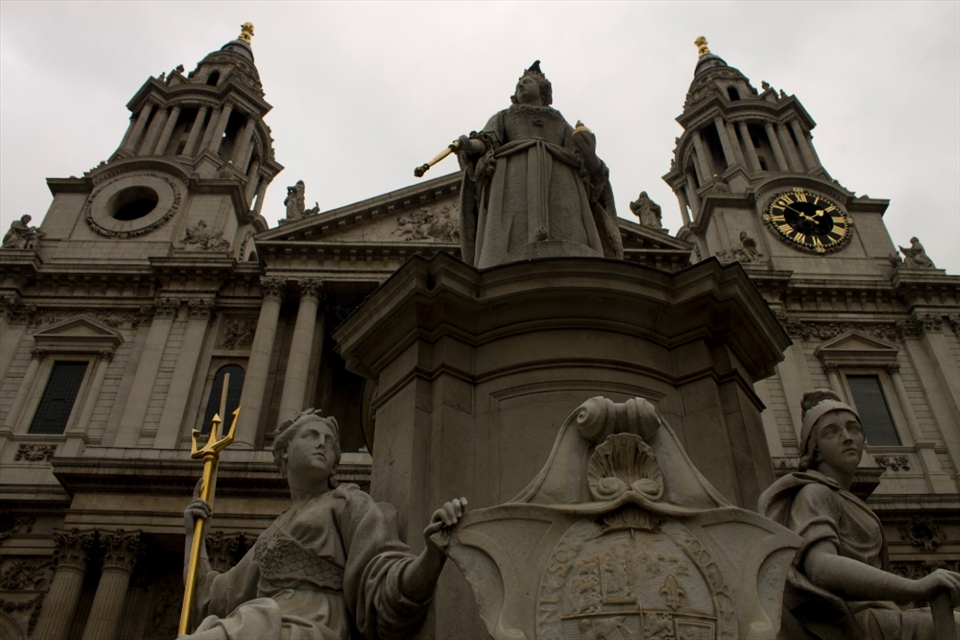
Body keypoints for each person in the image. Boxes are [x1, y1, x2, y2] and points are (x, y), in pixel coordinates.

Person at [181, 409, 467, 640]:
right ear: (285, 452)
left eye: (329, 441)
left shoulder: (348, 503)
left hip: (312, 627)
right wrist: (195, 537)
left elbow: (385, 576)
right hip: (265, 621)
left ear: (334, 464)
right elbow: (213, 597)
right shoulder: (271, 534)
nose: (322, 443)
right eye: (311, 435)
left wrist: (431, 555)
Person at [758, 389, 960, 639]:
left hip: (879, 610)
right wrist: (914, 587)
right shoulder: (816, 492)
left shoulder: (842, 497)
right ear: (815, 449)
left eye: (853, 428)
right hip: (851, 619)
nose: (847, 438)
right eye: (832, 432)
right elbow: (820, 566)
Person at [456, 61, 623, 269]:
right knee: (514, 223)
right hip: (512, 175)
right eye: (518, 86)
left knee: (565, 220)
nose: (521, 87)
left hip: (562, 176)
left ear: (543, 90)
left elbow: (586, 163)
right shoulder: (504, 116)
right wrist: (468, 144)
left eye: (527, 82)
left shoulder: (560, 121)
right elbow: (486, 141)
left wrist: (590, 155)